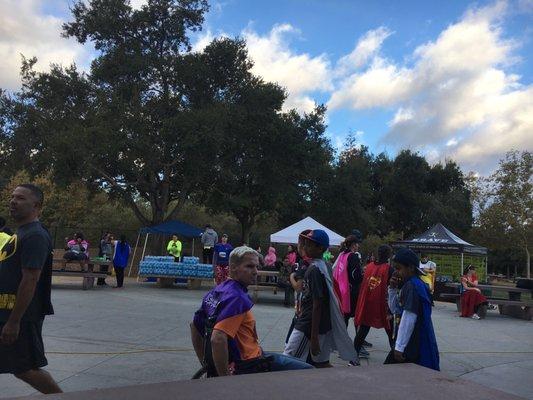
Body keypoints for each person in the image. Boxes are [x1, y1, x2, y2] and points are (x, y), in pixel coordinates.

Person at [190, 246, 313, 376]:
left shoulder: (217, 291)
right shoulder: (238, 297)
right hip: (250, 363)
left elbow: (194, 325)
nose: (255, 271)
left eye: (256, 266)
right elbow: (218, 338)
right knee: (309, 371)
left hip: (250, 357)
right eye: (249, 266)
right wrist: (224, 379)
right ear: (233, 268)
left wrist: (206, 364)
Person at [0, 184, 62, 394]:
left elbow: (30, 279)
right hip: (6, 314)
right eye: (12, 197)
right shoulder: (22, 233)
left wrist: (14, 321)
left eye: (20, 198)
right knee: (22, 368)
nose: (13, 201)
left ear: (36, 206)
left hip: (20, 317)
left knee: (25, 369)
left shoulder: (35, 235)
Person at [284, 230, 359, 366]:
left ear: (320, 248)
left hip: (307, 326)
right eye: (304, 244)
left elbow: (317, 304)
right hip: (323, 325)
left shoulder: (314, 270)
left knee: (288, 360)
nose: (305, 247)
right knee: (321, 364)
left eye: (309, 244)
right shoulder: (324, 266)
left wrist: (313, 338)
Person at [387, 247, 439, 371]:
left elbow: (409, 316)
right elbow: (395, 309)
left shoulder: (412, 286)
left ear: (410, 268)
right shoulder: (410, 283)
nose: (396, 272)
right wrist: (392, 289)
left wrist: (400, 346)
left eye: (399, 268)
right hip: (410, 340)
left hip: (413, 341)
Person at [353, 245, 394, 357]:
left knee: (364, 329)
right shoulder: (389, 269)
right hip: (381, 303)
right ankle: (396, 354)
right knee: (390, 331)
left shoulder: (369, 266)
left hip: (367, 302)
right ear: (388, 255)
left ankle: (353, 357)